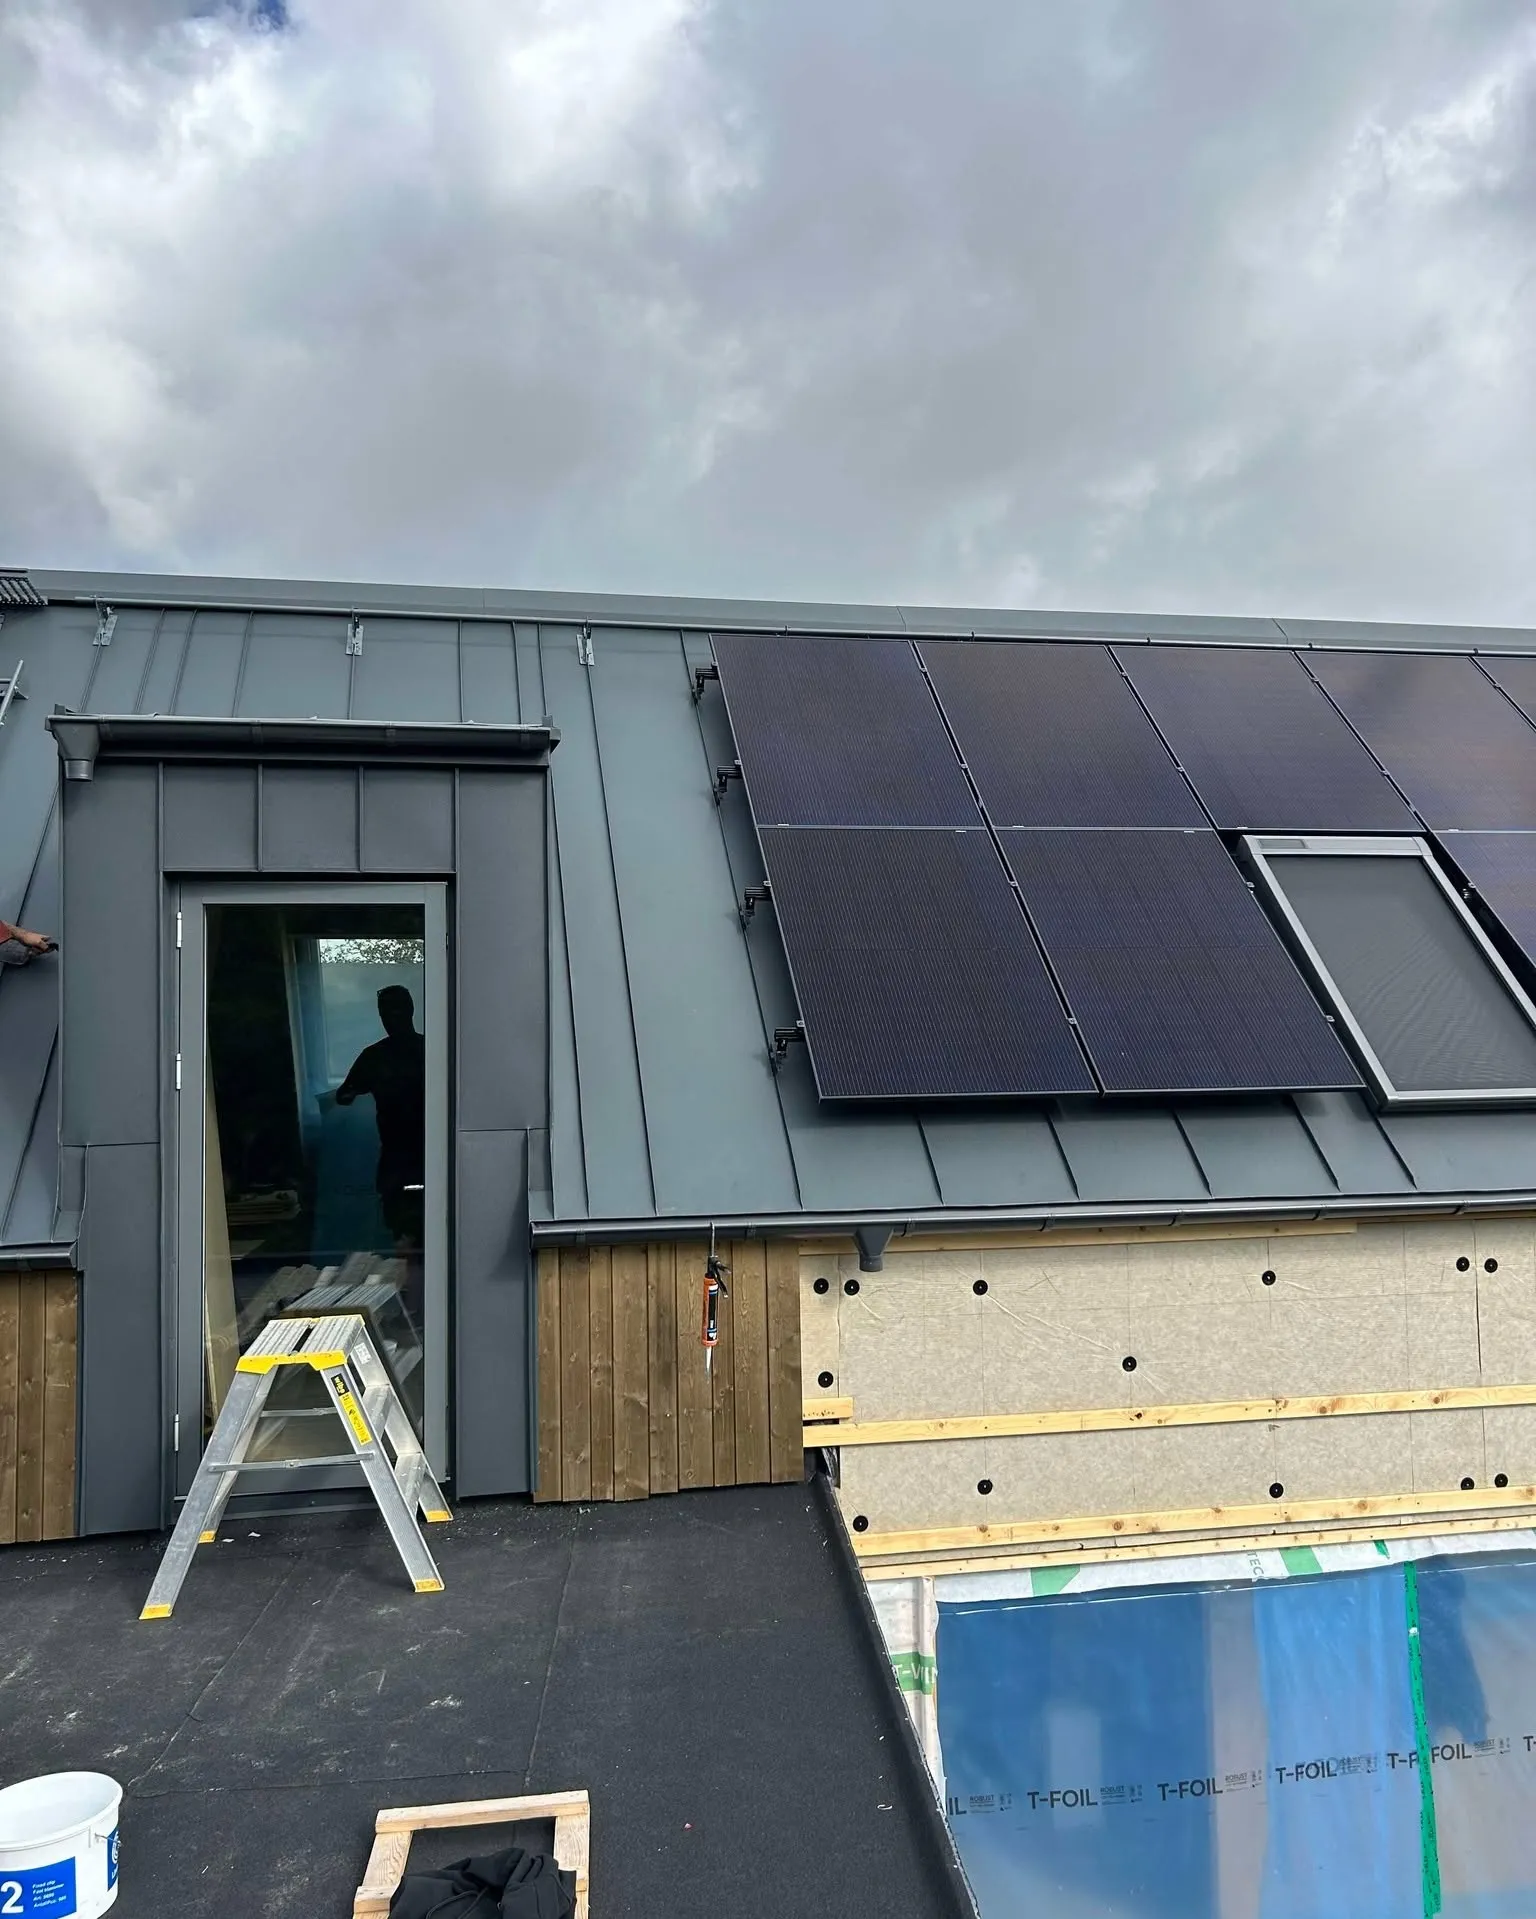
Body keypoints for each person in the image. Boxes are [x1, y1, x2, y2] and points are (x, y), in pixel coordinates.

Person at [336, 983, 425, 1246]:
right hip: (409, 1157)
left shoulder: (377, 1056)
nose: (389, 1020)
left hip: (412, 1156)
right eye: (385, 1013)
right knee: (410, 1231)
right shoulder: (428, 1049)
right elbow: (345, 1095)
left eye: (393, 1012)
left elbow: (344, 1096)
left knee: (408, 1233)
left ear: (409, 1011)